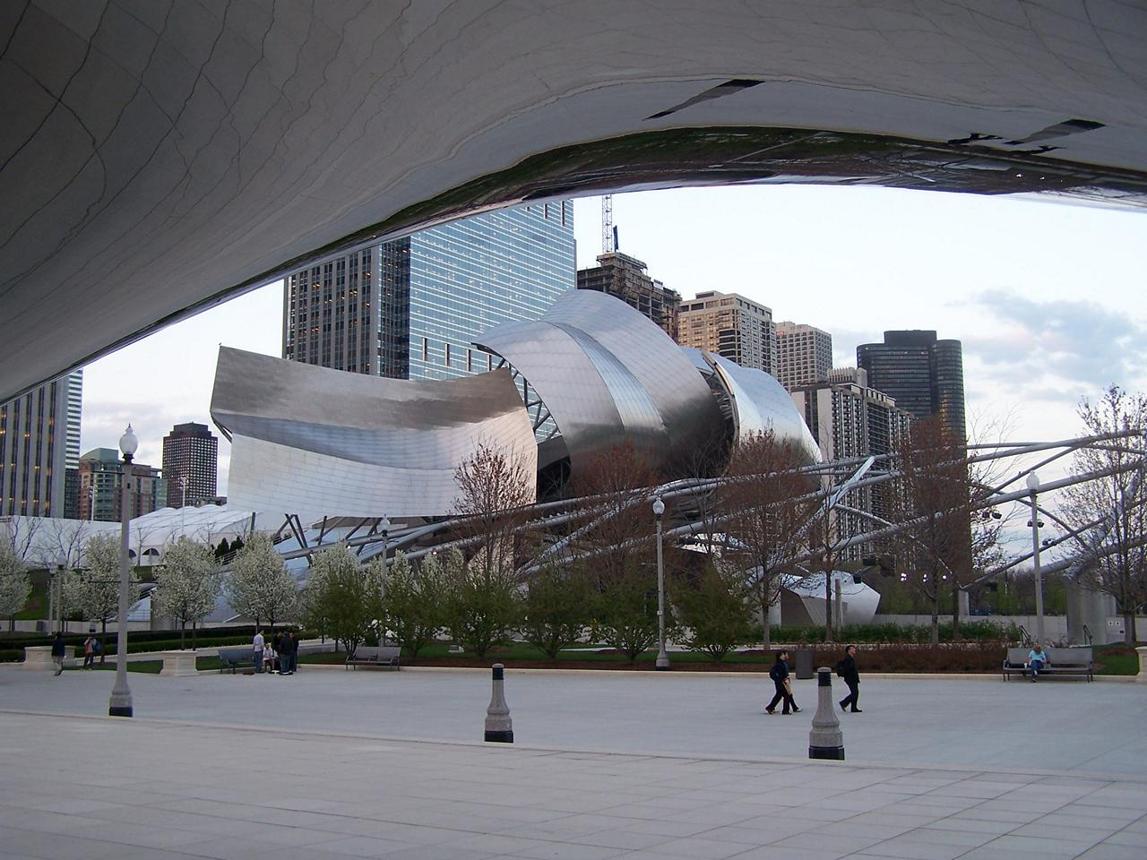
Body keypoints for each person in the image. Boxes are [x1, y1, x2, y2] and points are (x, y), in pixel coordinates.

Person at [765, 650, 799, 715]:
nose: (784, 656)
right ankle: (785, 710)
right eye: (783, 655)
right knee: (786, 695)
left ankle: (770, 707)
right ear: (780, 656)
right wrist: (780, 679)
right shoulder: (778, 664)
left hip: (782, 682)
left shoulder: (782, 663)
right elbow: (773, 674)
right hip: (781, 683)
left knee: (779, 695)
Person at [836, 644, 862, 713]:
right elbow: (847, 669)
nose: (854, 649)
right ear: (849, 650)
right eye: (853, 649)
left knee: (855, 693)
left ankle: (854, 708)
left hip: (853, 678)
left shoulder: (850, 658)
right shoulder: (848, 659)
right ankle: (843, 703)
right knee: (854, 693)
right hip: (850, 679)